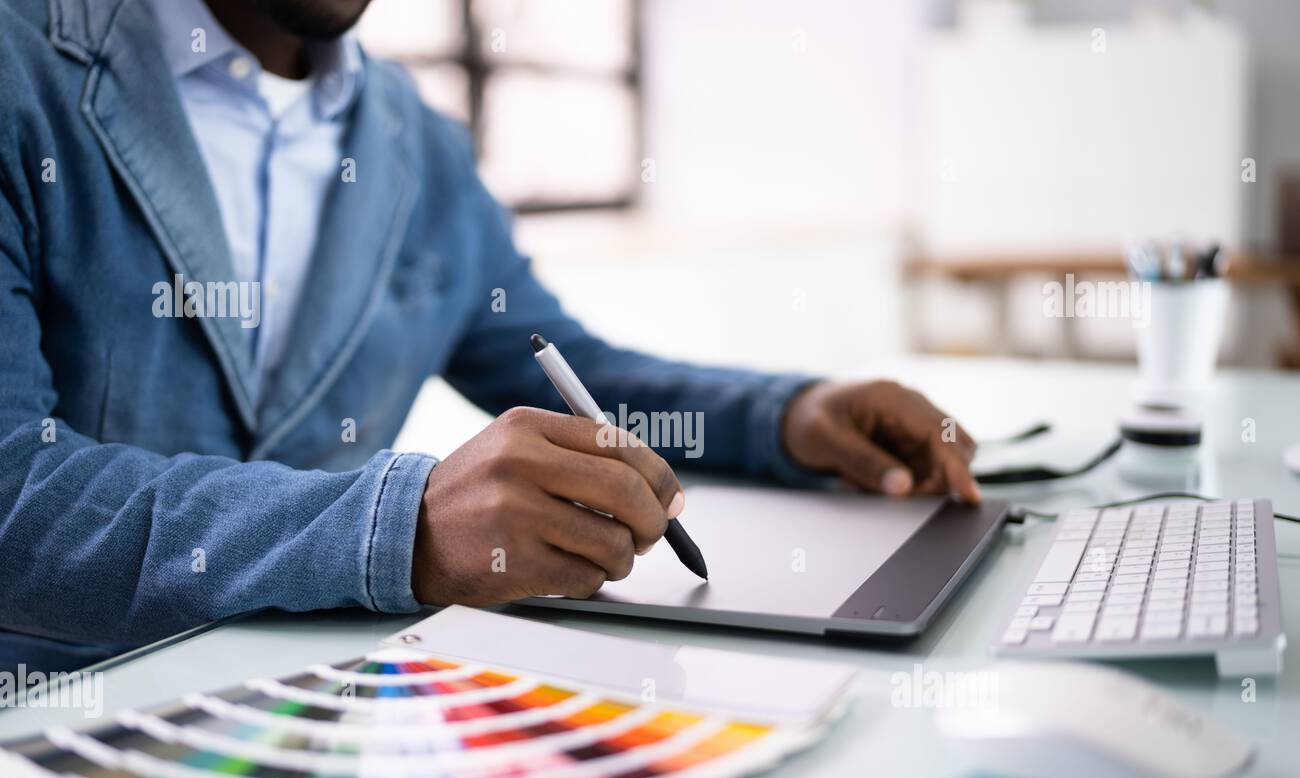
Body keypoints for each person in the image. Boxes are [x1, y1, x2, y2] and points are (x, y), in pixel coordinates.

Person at [0, 0, 979, 674]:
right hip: (49, 733)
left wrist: (788, 416)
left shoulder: (416, 143)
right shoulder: (18, 69)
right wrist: (399, 527)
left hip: (311, 708)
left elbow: (570, 368)